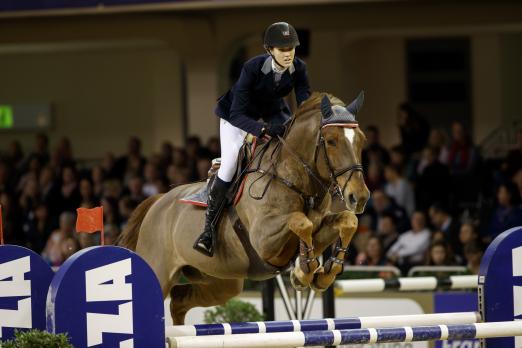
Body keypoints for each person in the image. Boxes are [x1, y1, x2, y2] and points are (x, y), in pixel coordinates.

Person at [194, 22, 311, 256]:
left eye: (291, 49)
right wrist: (263, 129)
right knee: (230, 164)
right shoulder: (252, 67)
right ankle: (208, 231)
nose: (288, 54)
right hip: (236, 117)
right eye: (282, 49)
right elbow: (238, 113)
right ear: (269, 50)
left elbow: (305, 105)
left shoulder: (299, 68)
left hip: (270, 111)